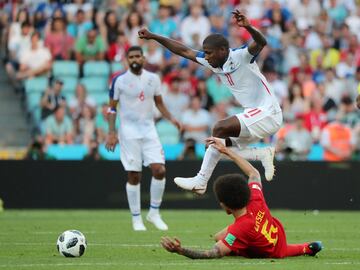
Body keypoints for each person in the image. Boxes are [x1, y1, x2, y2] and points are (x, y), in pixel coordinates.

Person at [138, 10, 282, 195]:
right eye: (205, 53)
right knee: (216, 145)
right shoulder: (212, 62)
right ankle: (261, 154)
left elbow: (261, 42)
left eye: (208, 53)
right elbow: (183, 50)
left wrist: (247, 27)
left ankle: (201, 180)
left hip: (268, 112)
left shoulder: (241, 56)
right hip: (255, 116)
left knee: (219, 129)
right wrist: (153, 36)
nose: (205, 57)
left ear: (222, 51)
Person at [161, 137, 323, 259]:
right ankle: (307, 248)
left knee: (225, 242)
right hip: (277, 236)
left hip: (272, 250)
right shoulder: (255, 197)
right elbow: (254, 173)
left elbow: (213, 253)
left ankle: (305, 248)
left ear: (226, 208)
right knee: (219, 236)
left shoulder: (240, 228)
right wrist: (227, 152)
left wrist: (180, 250)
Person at [105, 46, 181, 231]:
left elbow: (159, 103)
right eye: (131, 56)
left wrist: (172, 119)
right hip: (128, 132)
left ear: (143, 58)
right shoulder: (119, 81)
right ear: (127, 59)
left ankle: (154, 213)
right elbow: (112, 108)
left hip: (149, 130)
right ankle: (136, 218)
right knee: (134, 174)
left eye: (137, 56)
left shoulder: (153, 79)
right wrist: (112, 132)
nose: (134, 59)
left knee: (160, 170)